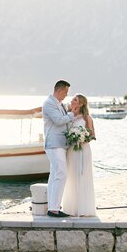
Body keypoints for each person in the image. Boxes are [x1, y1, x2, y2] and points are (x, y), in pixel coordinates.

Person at [42, 79, 75, 217]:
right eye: (66, 92)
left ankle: (52, 206)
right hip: (54, 144)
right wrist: (72, 115)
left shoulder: (59, 104)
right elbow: (59, 120)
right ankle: (54, 209)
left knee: (54, 175)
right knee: (61, 174)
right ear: (60, 90)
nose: (66, 95)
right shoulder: (49, 104)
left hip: (60, 144)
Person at [62, 93, 96, 217]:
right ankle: (71, 208)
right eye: (72, 99)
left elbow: (92, 135)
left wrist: (81, 139)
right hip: (71, 151)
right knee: (71, 176)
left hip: (83, 150)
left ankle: (84, 208)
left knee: (82, 176)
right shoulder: (67, 116)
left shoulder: (87, 118)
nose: (72, 101)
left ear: (81, 104)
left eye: (75, 100)